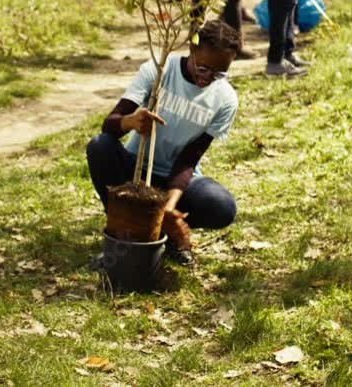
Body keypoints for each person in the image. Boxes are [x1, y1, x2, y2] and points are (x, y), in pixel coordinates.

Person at [86, 20, 241, 266]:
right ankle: (124, 230)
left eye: (219, 73)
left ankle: (158, 231)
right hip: (135, 175)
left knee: (222, 206)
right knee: (99, 146)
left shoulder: (225, 99)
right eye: (203, 69)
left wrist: (167, 208)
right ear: (192, 49)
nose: (208, 79)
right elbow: (110, 126)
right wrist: (131, 121)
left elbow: (189, 159)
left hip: (176, 179)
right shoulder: (159, 70)